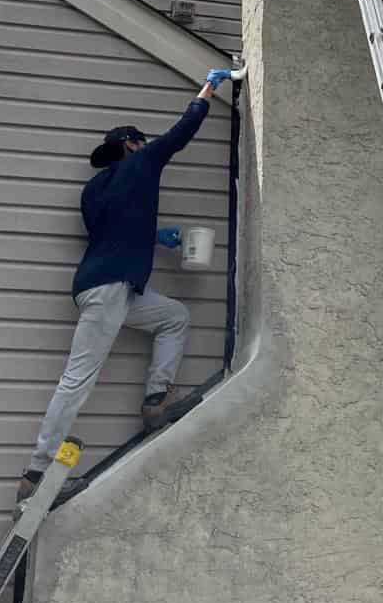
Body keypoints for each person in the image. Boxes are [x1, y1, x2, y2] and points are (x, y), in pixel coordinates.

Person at [17, 67, 232, 504]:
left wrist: (156, 235)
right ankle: (37, 472)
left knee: (174, 317)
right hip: (111, 288)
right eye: (141, 142)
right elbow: (182, 131)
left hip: (107, 287)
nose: (146, 147)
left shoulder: (93, 190)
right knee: (77, 378)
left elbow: (112, 232)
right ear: (131, 146)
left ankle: (155, 401)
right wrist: (209, 89)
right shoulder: (141, 164)